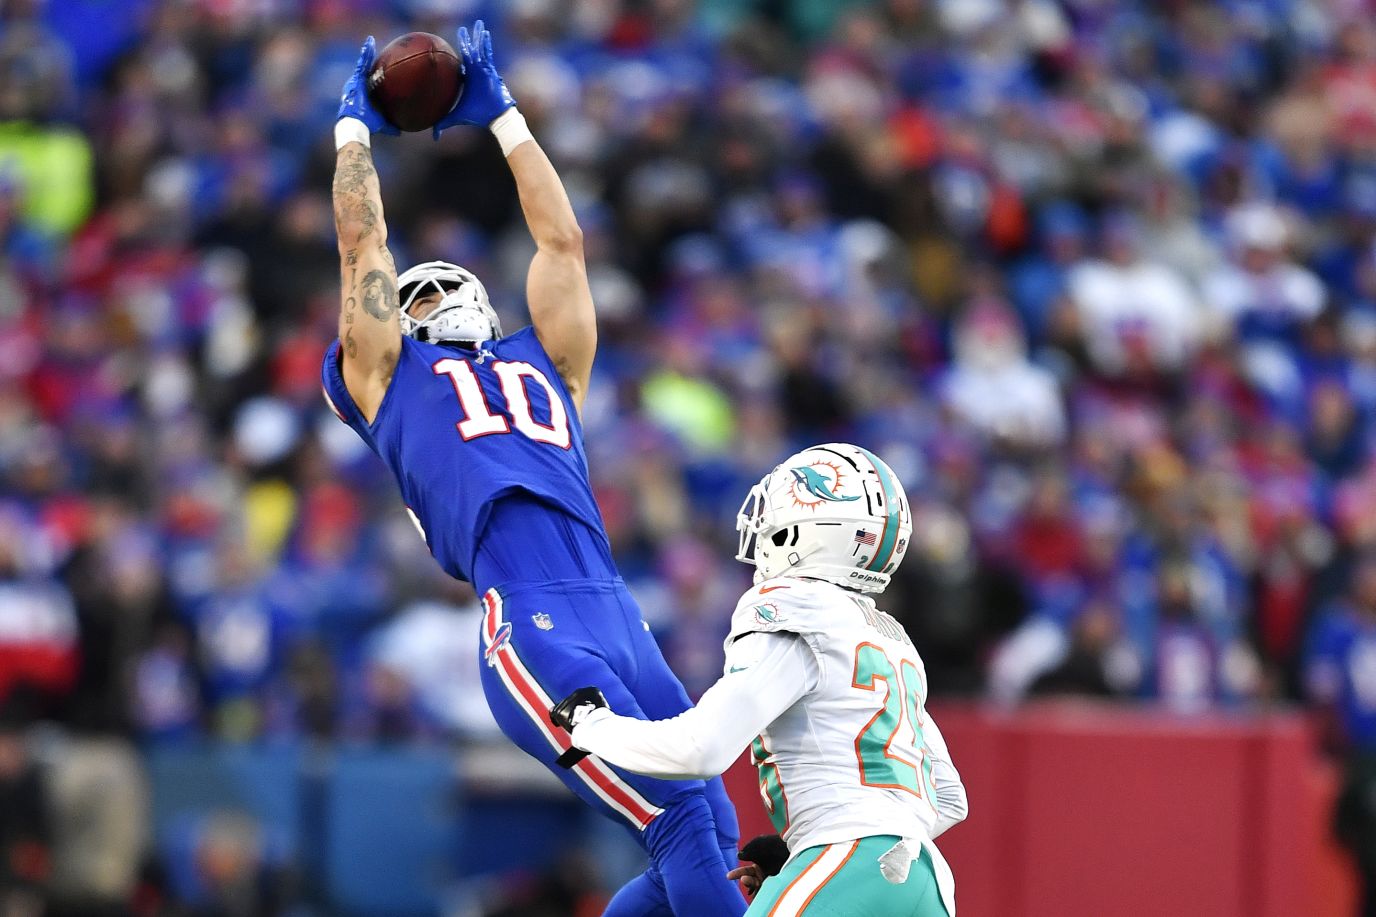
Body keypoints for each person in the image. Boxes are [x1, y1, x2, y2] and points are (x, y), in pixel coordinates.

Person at [322, 22, 742, 917]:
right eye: (412, 294)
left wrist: (506, 117)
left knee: (718, 830)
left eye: (439, 286)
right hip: (533, 618)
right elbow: (364, 249)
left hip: (616, 608)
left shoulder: (547, 360)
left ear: (478, 294)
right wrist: (354, 133)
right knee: (677, 825)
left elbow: (562, 246)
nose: (423, 298)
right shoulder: (392, 378)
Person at [550, 444, 967, 916]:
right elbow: (950, 799)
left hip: (845, 857)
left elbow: (700, 748)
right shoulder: (890, 638)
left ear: (807, 528)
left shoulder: (794, 604)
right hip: (926, 881)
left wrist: (592, 724)